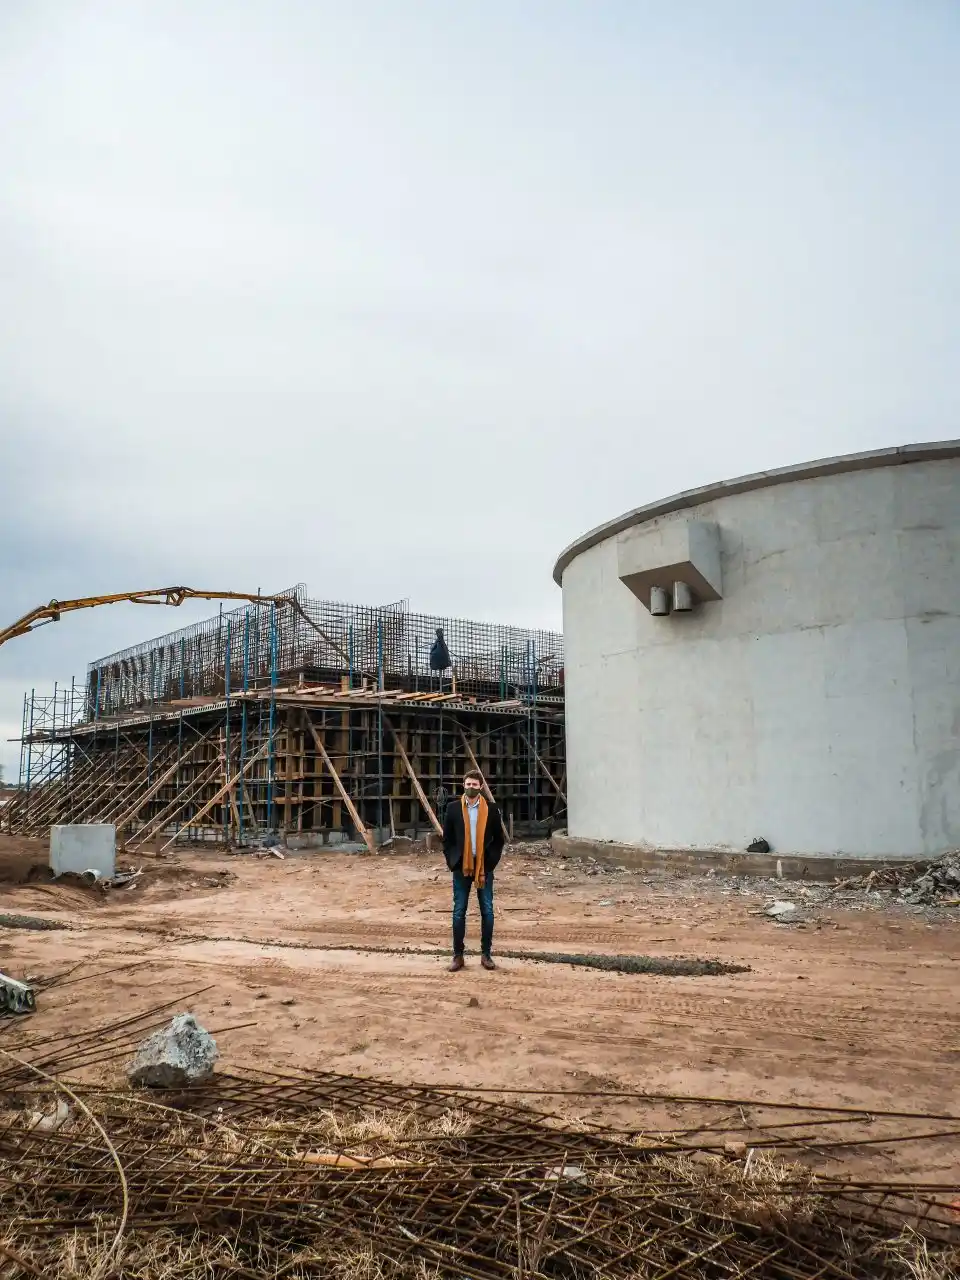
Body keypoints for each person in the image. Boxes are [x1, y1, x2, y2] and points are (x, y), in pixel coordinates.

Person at [442, 769, 505, 971]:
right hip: (462, 867)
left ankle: (486, 955)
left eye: (475, 785)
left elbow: (499, 840)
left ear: (481, 787)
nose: (471, 787)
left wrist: (490, 862)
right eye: (468, 784)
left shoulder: (492, 810)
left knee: (487, 910)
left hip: (483, 868)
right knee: (459, 911)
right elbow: (447, 839)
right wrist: (452, 861)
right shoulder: (453, 808)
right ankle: (458, 956)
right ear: (464, 785)